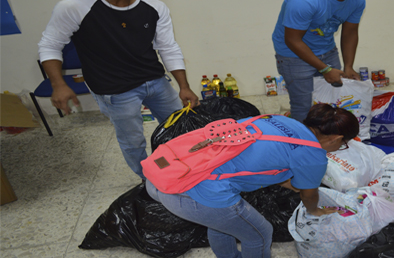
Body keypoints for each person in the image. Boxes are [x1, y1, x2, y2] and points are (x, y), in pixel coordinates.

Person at [37, 0, 200, 179]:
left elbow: (167, 47)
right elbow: (49, 45)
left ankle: (192, 169)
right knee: (133, 141)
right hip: (114, 91)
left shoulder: (154, 7)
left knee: (182, 128)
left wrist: (183, 86)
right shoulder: (74, 7)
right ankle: (152, 181)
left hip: (156, 82)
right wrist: (58, 84)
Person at [146, 103, 359, 258]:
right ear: (335, 139)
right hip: (189, 194)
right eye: (344, 144)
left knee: (223, 223)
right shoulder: (313, 155)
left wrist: (293, 184)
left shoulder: (279, 119)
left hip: (162, 174)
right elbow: (309, 195)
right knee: (259, 234)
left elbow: (260, 159)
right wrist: (315, 210)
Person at [272, 0, 378, 122]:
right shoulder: (303, 0)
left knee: (332, 105)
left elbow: (350, 32)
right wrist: (325, 69)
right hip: (293, 55)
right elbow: (292, 40)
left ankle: (329, 142)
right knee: (304, 108)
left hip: (327, 50)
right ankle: (306, 146)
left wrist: (348, 66)